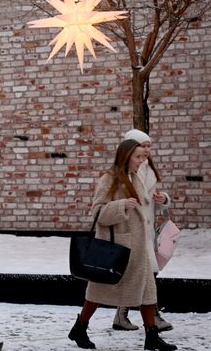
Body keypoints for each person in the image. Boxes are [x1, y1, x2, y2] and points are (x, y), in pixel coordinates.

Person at [68, 139, 177, 350]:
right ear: (126, 156)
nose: (141, 160)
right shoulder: (109, 179)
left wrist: (163, 199)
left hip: (139, 247)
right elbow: (97, 212)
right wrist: (121, 206)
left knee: (147, 291)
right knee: (98, 292)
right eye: (137, 157)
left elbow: (144, 209)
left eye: (143, 157)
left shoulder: (134, 178)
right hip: (118, 248)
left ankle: (151, 337)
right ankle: (80, 328)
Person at [113, 129, 173, 332]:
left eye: (149, 146)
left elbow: (154, 196)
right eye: (143, 146)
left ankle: (123, 316)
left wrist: (163, 199)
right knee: (139, 274)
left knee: (144, 274)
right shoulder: (125, 170)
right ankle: (149, 317)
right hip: (132, 230)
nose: (147, 150)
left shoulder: (148, 168)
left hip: (148, 230)